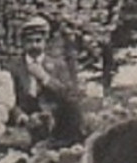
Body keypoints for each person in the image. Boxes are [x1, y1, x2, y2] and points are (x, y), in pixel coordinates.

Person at [6, 16, 85, 148]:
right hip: (26, 122)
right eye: (30, 41)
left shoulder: (58, 65)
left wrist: (45, 78)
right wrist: (21, 116)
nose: (34, 45)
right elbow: (9, 98)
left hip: (54, 122)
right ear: (23, 43)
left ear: (45, 42)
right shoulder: (13, 67)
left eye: (38, 41)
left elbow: (69, 95)